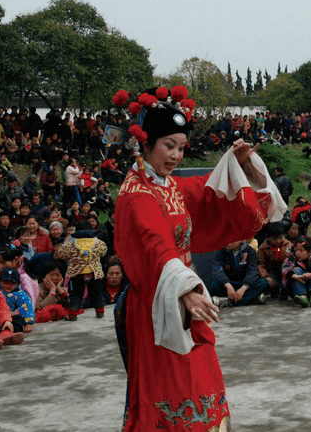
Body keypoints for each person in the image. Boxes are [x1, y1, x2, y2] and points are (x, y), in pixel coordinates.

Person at [111, 86, 283, 432]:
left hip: (184, 294)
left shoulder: (167, 185)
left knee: (198, 377)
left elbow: (210, 191)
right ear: (145, 144)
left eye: (180, 147)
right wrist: (184, 289)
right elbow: (154, 244)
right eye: (168, 146)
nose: (175, 156)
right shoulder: (137, 194)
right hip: (157, 303)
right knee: (171, 385)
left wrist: (242, 163)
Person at [209, 240, 268, 307]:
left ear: (240, 240)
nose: (228, 242)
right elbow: (217, 270)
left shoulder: (250, 251)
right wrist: (227, 285)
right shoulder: (220, 251)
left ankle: (229, 302)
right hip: (229, 284)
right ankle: (250, 299)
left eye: (232, 239)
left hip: (244, 285)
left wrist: (244, 288)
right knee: (213, 286)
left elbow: (252, 271)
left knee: (264, 282)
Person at [281, 237, 311, 308]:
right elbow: (285, 267)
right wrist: (295, 276)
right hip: (296, 288)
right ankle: (302, 297)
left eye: (301, 250)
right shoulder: (293, 257)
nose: (297, 253)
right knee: (296, 270)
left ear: (310, 252)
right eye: (296, 250)